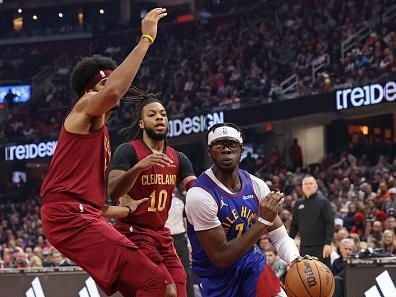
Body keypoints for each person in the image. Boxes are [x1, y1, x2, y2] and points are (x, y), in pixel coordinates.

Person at [40, 8, 171, 297]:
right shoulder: (85, 106)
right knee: (158, 285)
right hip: (69, 216)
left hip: (78, 214)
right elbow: (112, 92)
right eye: (103, 83)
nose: (112, 90)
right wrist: (146, 38)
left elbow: (95, 205)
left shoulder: (99, 137)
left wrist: (127, 209)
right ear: (89, 90)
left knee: (149, 287)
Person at [185, 123, 300, 297]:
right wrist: (262, 222)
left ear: (241, 150)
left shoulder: (256, 185)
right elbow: (221, 257)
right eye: (219, 144)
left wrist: (295, 260)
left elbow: (279, 235)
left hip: (250, 263)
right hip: (216, 276)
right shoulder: (199, 194)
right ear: (209, 151)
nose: (226, 149)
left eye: (231, 144)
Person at [107, 90, 196, 297]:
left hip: (161, 234)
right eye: (152, 114)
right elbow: (113, 191)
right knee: (166, 289)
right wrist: (138, 168)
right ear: (141, 123)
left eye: (163, 114)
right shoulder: (128, 151)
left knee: (181, 284)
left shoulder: (178, 157)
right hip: (133, 232)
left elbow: (195, 189)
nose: (159, 117)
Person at [290, 175, 334, 267]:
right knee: (305, 275)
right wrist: (288, 242)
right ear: (302, 187)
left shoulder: (323, 202)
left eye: (311, 183)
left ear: (316, 186)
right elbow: (294, 226)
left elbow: (329, 224)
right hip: (304, 247)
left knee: (324, 274)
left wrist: (328, 243)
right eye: (305, 184)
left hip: (321, 246)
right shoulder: (298, 203)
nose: (308, 186)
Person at [165, 184, 196, 297]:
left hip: (170, 237)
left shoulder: (179, 200)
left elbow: (185, 221)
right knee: (185, 270)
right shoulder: (181, 200)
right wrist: (188, 241)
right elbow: (186, 222)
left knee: (168, 271)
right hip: (176, 237)